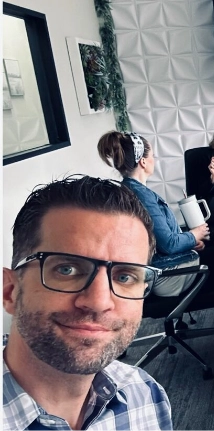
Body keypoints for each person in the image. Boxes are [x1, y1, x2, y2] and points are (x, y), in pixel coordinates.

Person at [3, 175, 172, 430]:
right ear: (10, 291)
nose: (99, 302)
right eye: (67, 270)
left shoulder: (146, 397)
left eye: (125, 276)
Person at [98, 131, 210, 297]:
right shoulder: (142, 196)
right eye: (153, 156)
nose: (154, 160)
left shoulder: (129, 190)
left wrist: (188, 240)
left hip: (154, 267)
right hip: (165, 273)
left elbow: (158, 238)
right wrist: (195, 234)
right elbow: (169, 244)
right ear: (143, 162)